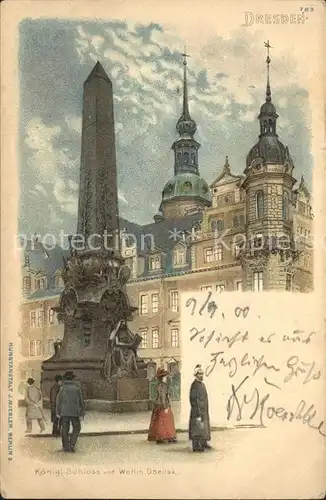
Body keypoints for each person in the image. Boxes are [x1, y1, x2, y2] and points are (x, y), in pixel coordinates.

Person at [56, 371, 85, 452]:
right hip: (75, 412)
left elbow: (58, 401)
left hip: (64, 412)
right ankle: (72, 445)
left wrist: (58, 412)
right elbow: (81, 402)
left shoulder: (62, 389)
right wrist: (82, 413)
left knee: (64, 429)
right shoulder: (77, 388)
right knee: (77, 428)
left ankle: (65, 447)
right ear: (73, 378)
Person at [148, 367, 177, 444]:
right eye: (165, 376)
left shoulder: (160, 385)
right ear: (163, 377)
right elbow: (163, 397)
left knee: (159, 422)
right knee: (166, 420)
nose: (166, 377)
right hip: (163, 405)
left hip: (158, 405)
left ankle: (161, 437)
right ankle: (168, 436)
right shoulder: (163, 386)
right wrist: (165, 407)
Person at [189, 364, 212, 452]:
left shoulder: (202, 384)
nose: (201, 376)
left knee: (204, 427)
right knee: (197, 428)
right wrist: (197, 412)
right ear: (196, 375)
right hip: (197, 411)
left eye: (202, 374)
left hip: (204, 410)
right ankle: (196, 446)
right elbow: (193, 400)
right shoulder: (194, 385)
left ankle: (203, 442)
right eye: (199, 374)